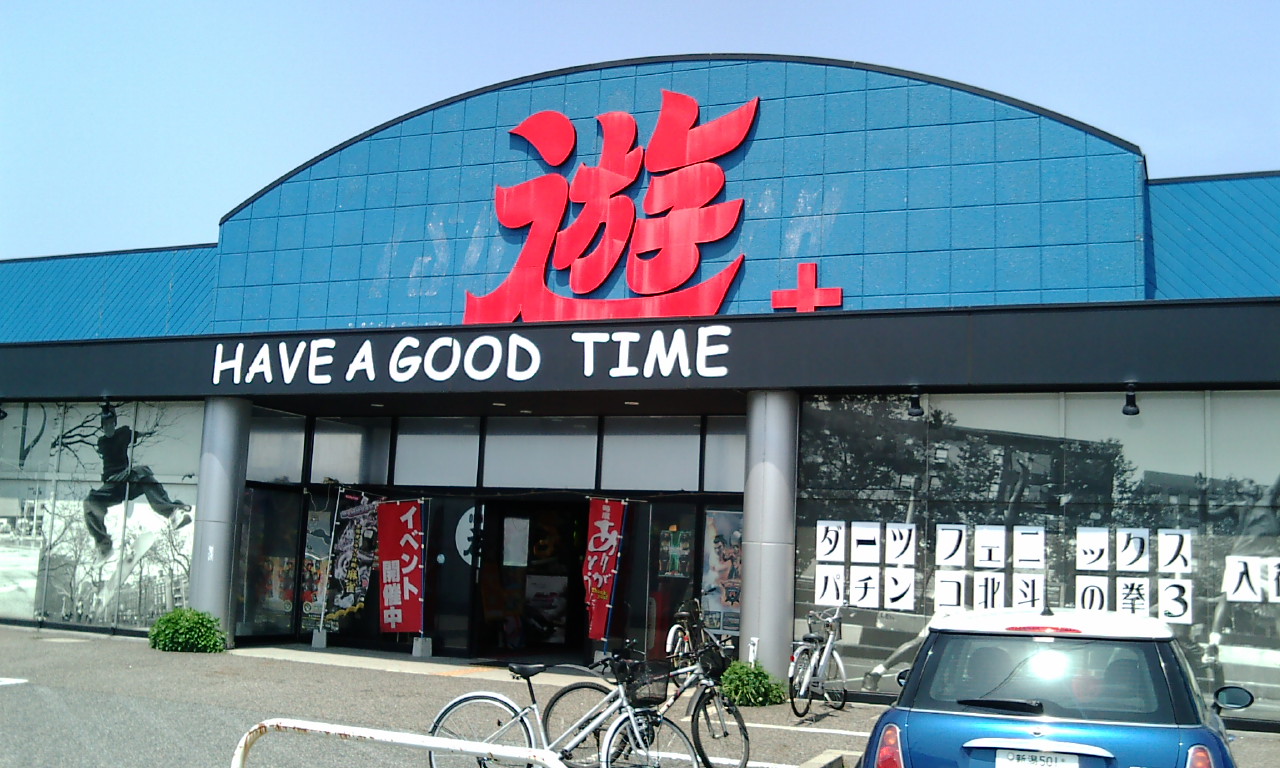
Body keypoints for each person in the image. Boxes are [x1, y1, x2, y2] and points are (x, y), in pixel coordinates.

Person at [83, 402, 191, 564]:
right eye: (105, 426)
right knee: (89, 502)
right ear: (102, 427)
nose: (108, 429)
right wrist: (107, 409)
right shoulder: (102, 442)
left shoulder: (124, 433)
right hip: (111, 485)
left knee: (143, 474)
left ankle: (172, 512)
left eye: (111, 425)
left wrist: (152, 432)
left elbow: (139, 434)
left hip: (127, 479)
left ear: (114, 424)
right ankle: (103, 545)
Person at [1202, 472, 1280, 666]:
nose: (1256, 484)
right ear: (1240, 489)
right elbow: (1206, 517)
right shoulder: (1236, 507)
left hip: (1270, 557)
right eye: (1250, 482)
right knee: (1227, 598)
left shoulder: (1268, 498)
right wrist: (1202, 494)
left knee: (1278, 603)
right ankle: (1213, 642)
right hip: (1243, 556)